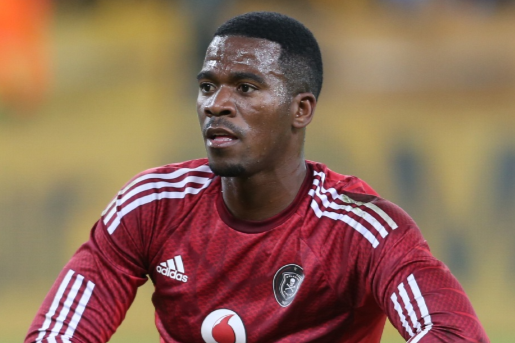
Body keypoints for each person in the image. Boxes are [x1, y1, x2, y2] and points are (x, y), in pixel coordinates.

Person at [25, 11, 489, 343]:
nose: (216, 104)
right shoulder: (151, 206)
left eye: (245, 87)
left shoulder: (361, 231)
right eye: (208, 86)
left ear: (301, 110)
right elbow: (58, 332)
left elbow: (452, 333)